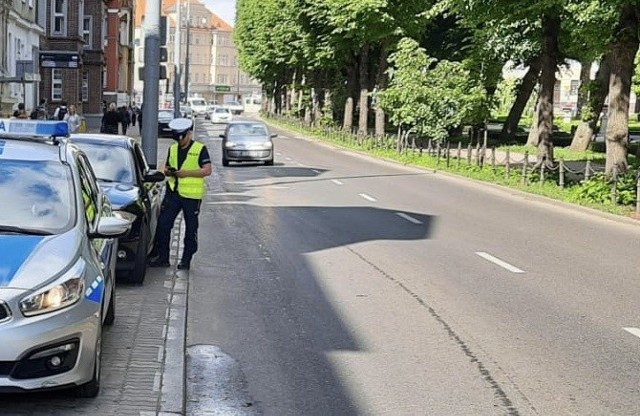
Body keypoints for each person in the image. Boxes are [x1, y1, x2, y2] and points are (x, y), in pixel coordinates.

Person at [149, 118, 211, 270]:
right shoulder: (173, 148)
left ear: (189, 134)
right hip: (173, 192)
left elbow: (207, 170)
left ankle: (186, 259)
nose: (179, 140)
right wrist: (167, 171)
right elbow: (166, 166)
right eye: (176, 137)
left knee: (191, 229)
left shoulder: (200, 149)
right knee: (163, 225)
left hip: (191, 196)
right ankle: (163, 257)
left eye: (181, 137)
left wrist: (186, 173)